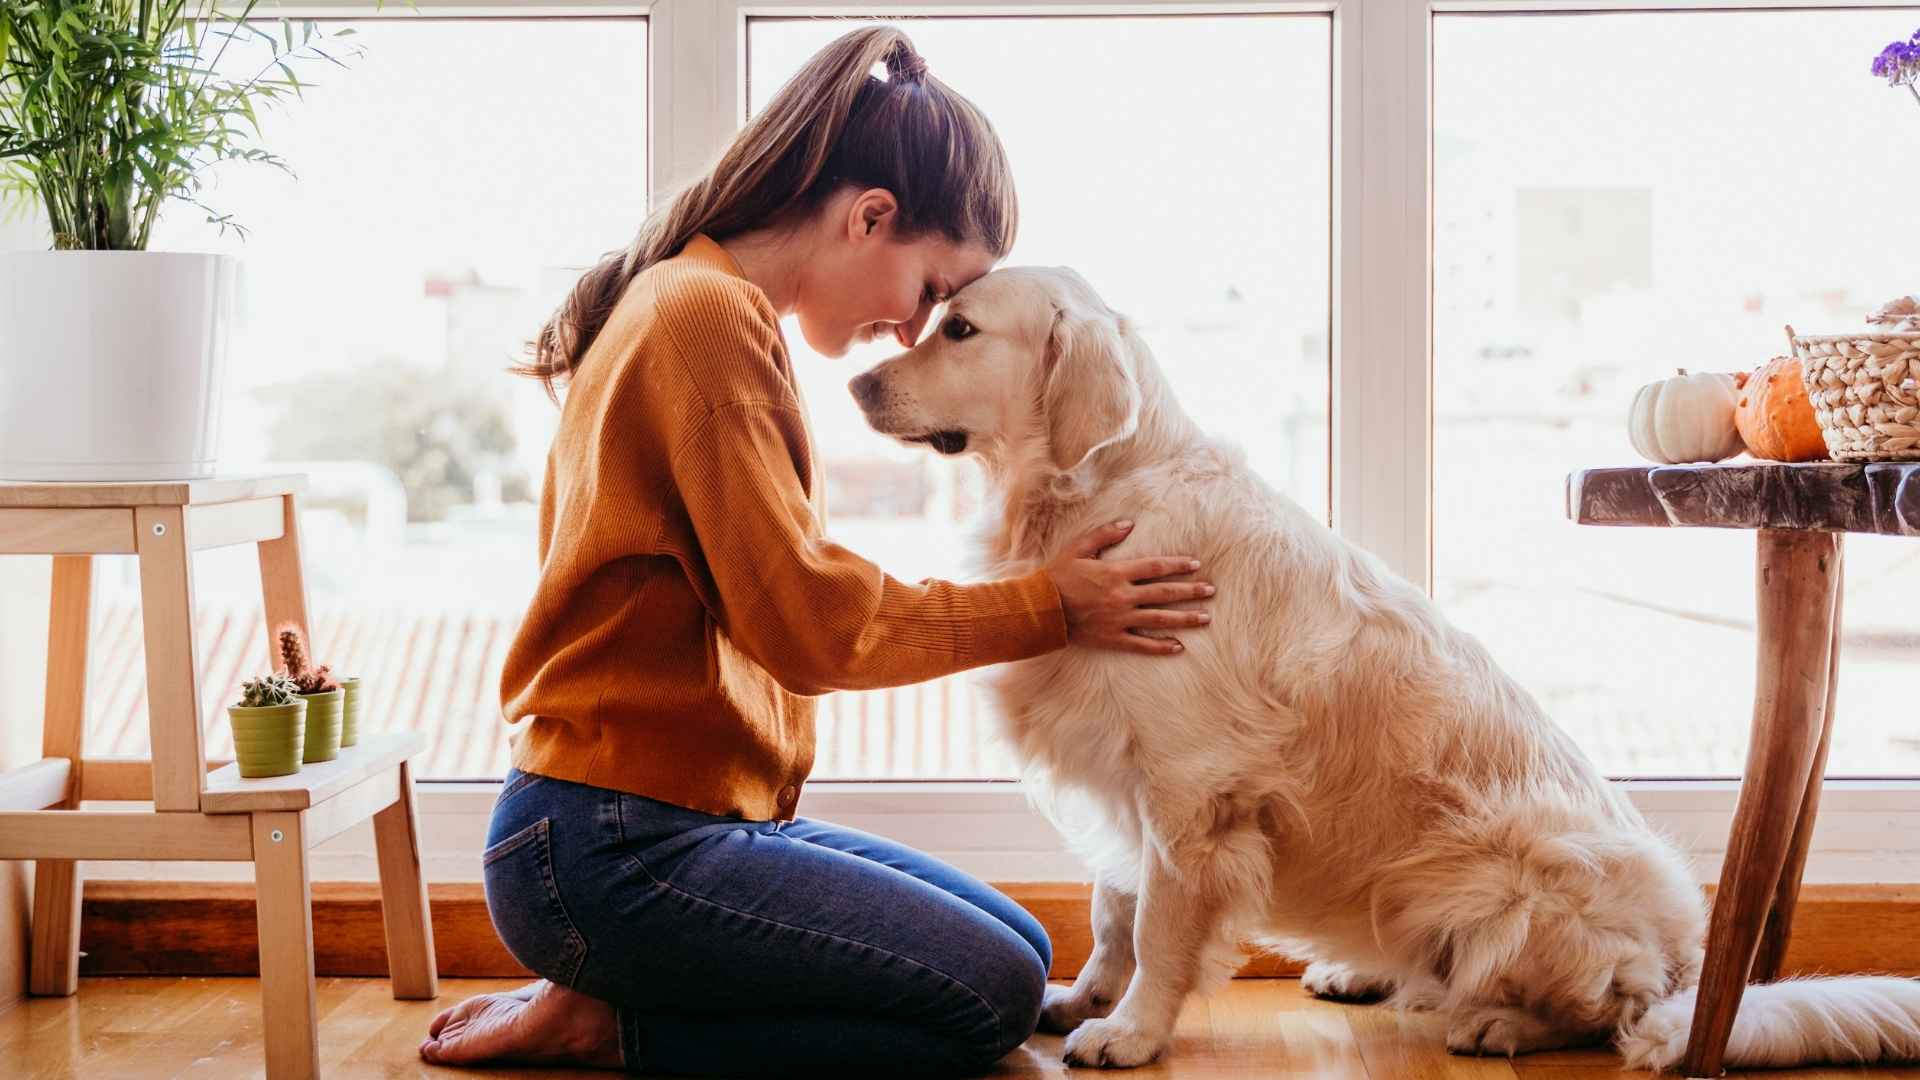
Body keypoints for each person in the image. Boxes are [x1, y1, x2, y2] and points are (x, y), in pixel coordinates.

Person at [419, 25, 1214, 1077]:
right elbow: (811, 626)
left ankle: (612, 987)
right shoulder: (704, 321)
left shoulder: (699, 300)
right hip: (608, 846)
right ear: (869, 216)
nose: (911, 329)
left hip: (665, 826)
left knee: (1022, 951)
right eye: (931, 291)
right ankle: (614, 1021)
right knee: (989, 998)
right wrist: (1049, 605)